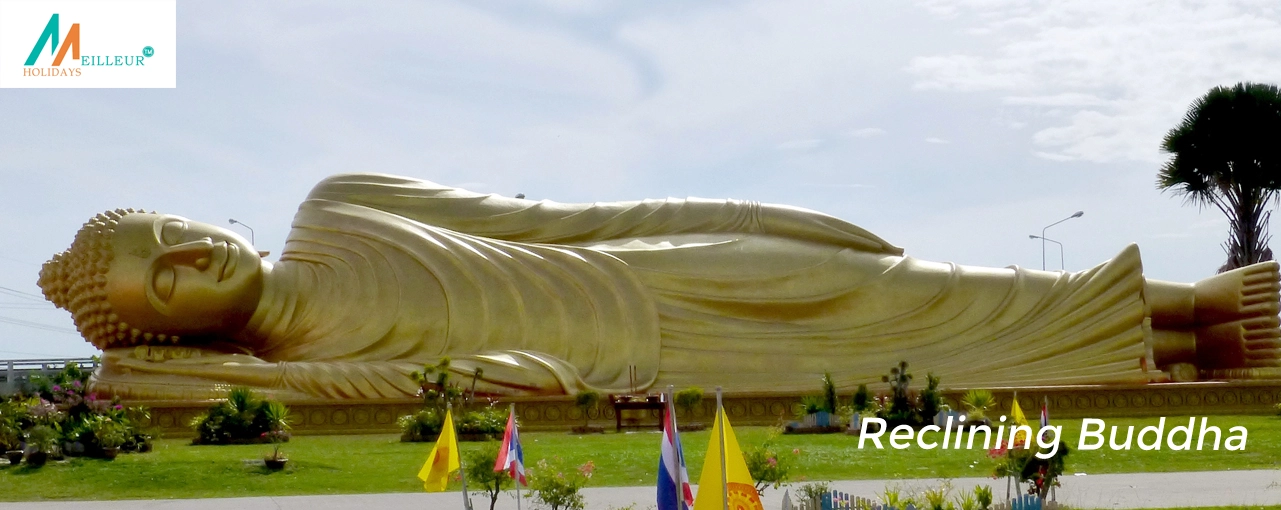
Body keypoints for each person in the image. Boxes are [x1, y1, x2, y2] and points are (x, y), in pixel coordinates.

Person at [36, 173, 1281, 400]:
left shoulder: (335, 203)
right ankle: (1175, 359)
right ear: (170, 325)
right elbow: (131, 383)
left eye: (179, 232)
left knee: (931, 290)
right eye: (171, 283)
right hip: (646, 355)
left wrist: (743, 211)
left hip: (647, 271)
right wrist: (151, 363)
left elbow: (576, 218)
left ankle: (1210, 311)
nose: (202, 258)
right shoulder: (303, 371)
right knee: (948, 353)